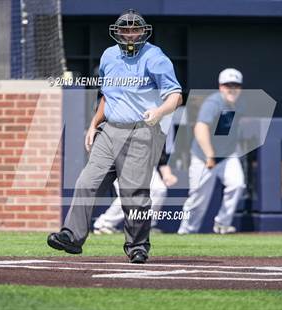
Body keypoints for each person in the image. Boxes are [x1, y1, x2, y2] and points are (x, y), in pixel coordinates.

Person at [47, 9, 182, 264]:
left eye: (135, 29)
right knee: (86, 182)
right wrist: (93, 125)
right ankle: (72, 236)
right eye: (125, 29)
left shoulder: (156, 58)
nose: (130, 34)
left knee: (134, 194)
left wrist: (159, 111)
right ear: (117, 32)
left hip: (142, 130)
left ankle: (137, 245)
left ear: (143, 31)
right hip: (109, 131)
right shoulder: (109, 56)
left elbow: (176, 96)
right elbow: (107, 96)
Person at [178, 68, 245, 235]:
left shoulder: (237, 104)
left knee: (237, 184)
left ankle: (222, 223)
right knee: (198, 199)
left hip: (227, 155)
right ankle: (186, 231)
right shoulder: (213, 102)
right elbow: (200, 128)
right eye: (228, 85)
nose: (232, 88)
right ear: (221, 87)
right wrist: (209, 155)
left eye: (236, 85)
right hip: (204, 156)